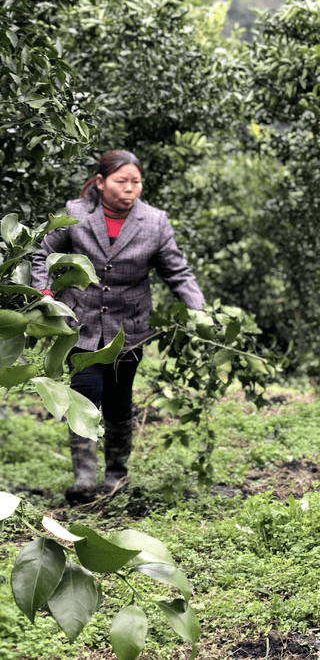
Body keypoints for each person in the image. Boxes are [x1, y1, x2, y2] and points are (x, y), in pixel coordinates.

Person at [32, 150, 205, 504]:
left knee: (118, 398)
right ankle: (84, 478)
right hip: (81, 322)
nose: (130, 189)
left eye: (136, 182)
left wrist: (199, 309)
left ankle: (116, 474)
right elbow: (42, 254)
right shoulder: (75, 214)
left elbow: (177, 271)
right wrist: (44, 291)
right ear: (100, 182)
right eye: (121, 181)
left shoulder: (154, 222)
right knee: (83, 395)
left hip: (129, 327)